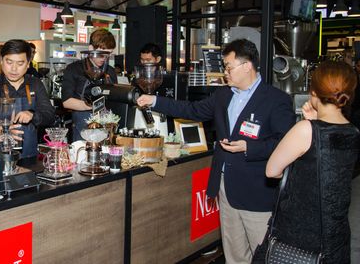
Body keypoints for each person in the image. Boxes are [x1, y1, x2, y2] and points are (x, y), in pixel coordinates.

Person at [136, 38, 296, 263]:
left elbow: (285, 143)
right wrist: (154, 101)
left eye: (229, 67)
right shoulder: (223, 95)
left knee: (264, 256)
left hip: (257, 193)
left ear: (247, 66)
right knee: (234, 254)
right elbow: (191, 109)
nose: (225, 73)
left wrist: (250, 147)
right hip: (225, 188)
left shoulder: (276, 100)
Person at [258, 61, 360, 263]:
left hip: (300, 236)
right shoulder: (353, 132)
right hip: (334, 234)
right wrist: (314, 119)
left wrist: (307, 123)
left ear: (313, 92)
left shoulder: (305, 130)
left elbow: (272, 170)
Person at [0, 40, 55, 158]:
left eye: (20, 64)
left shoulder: (35, 84)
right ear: (1, 61)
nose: (14, 69)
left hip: (30, 155)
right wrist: (4, 131)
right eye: (9, 62)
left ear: (28, 64)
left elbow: (50, 115)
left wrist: (32, 115)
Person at [62, 29, 117, 141]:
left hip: (106, 124)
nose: (104, 58)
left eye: (108, 55)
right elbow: (67, 102)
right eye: (101, 54)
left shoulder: (110, 71)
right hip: (82, 124)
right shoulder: (74, 69)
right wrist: (96, 106)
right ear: (91, 48)